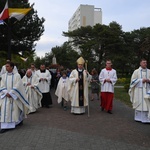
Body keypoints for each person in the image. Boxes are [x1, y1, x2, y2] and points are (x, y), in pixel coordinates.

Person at [0, 61, 30, 133]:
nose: (5, 67)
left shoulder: (17, 75)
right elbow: (2, 85)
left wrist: (11, 93)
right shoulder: (3, 76)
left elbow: (18, 85)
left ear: (12, 67)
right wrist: (6, 93)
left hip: (13, 96)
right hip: (6, 96)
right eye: (5, 66)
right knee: (5, 110)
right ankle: (4, 126)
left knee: (15, 110)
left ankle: (17, 122)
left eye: (7, 66)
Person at [129, 59, 150, 123]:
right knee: (139, 104)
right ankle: (138, 118)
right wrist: (141, 80)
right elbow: (132, 81)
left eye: (146, 62)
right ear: (140, 63)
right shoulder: (136, 71)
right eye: (143, 62)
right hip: (139, 91)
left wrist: (148, 80)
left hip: (147, 90)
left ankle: (147, 118)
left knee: (147, 104)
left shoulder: (149, 71)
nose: (145, 64)